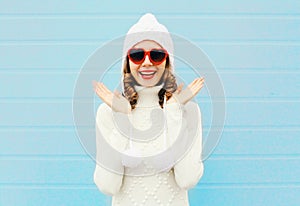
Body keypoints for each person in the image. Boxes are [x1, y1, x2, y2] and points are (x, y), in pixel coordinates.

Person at [93, 13, 205, 206]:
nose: (146, 62)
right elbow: (108, 186)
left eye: (157, 55)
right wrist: (121, 116)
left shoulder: (189, 112)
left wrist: (173, 111)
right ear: (126, 63)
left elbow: (186, 179)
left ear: (168, 62)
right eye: (136, 55)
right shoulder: (108, 113)